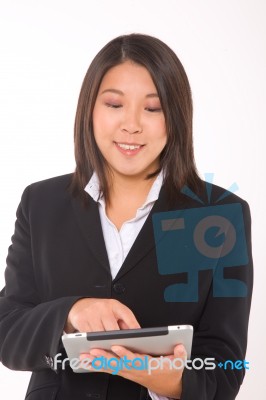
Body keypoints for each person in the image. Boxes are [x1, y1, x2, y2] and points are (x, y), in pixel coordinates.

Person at [0, 33, 253, 400]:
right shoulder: (41, 203)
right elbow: (7, 331)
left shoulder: (217, 216)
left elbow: (225, 368)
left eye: (153, 108)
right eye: (114, 104)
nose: (131, 125)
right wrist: (71, 313)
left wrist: (159, 375)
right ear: (90, 109)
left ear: (176, 118)